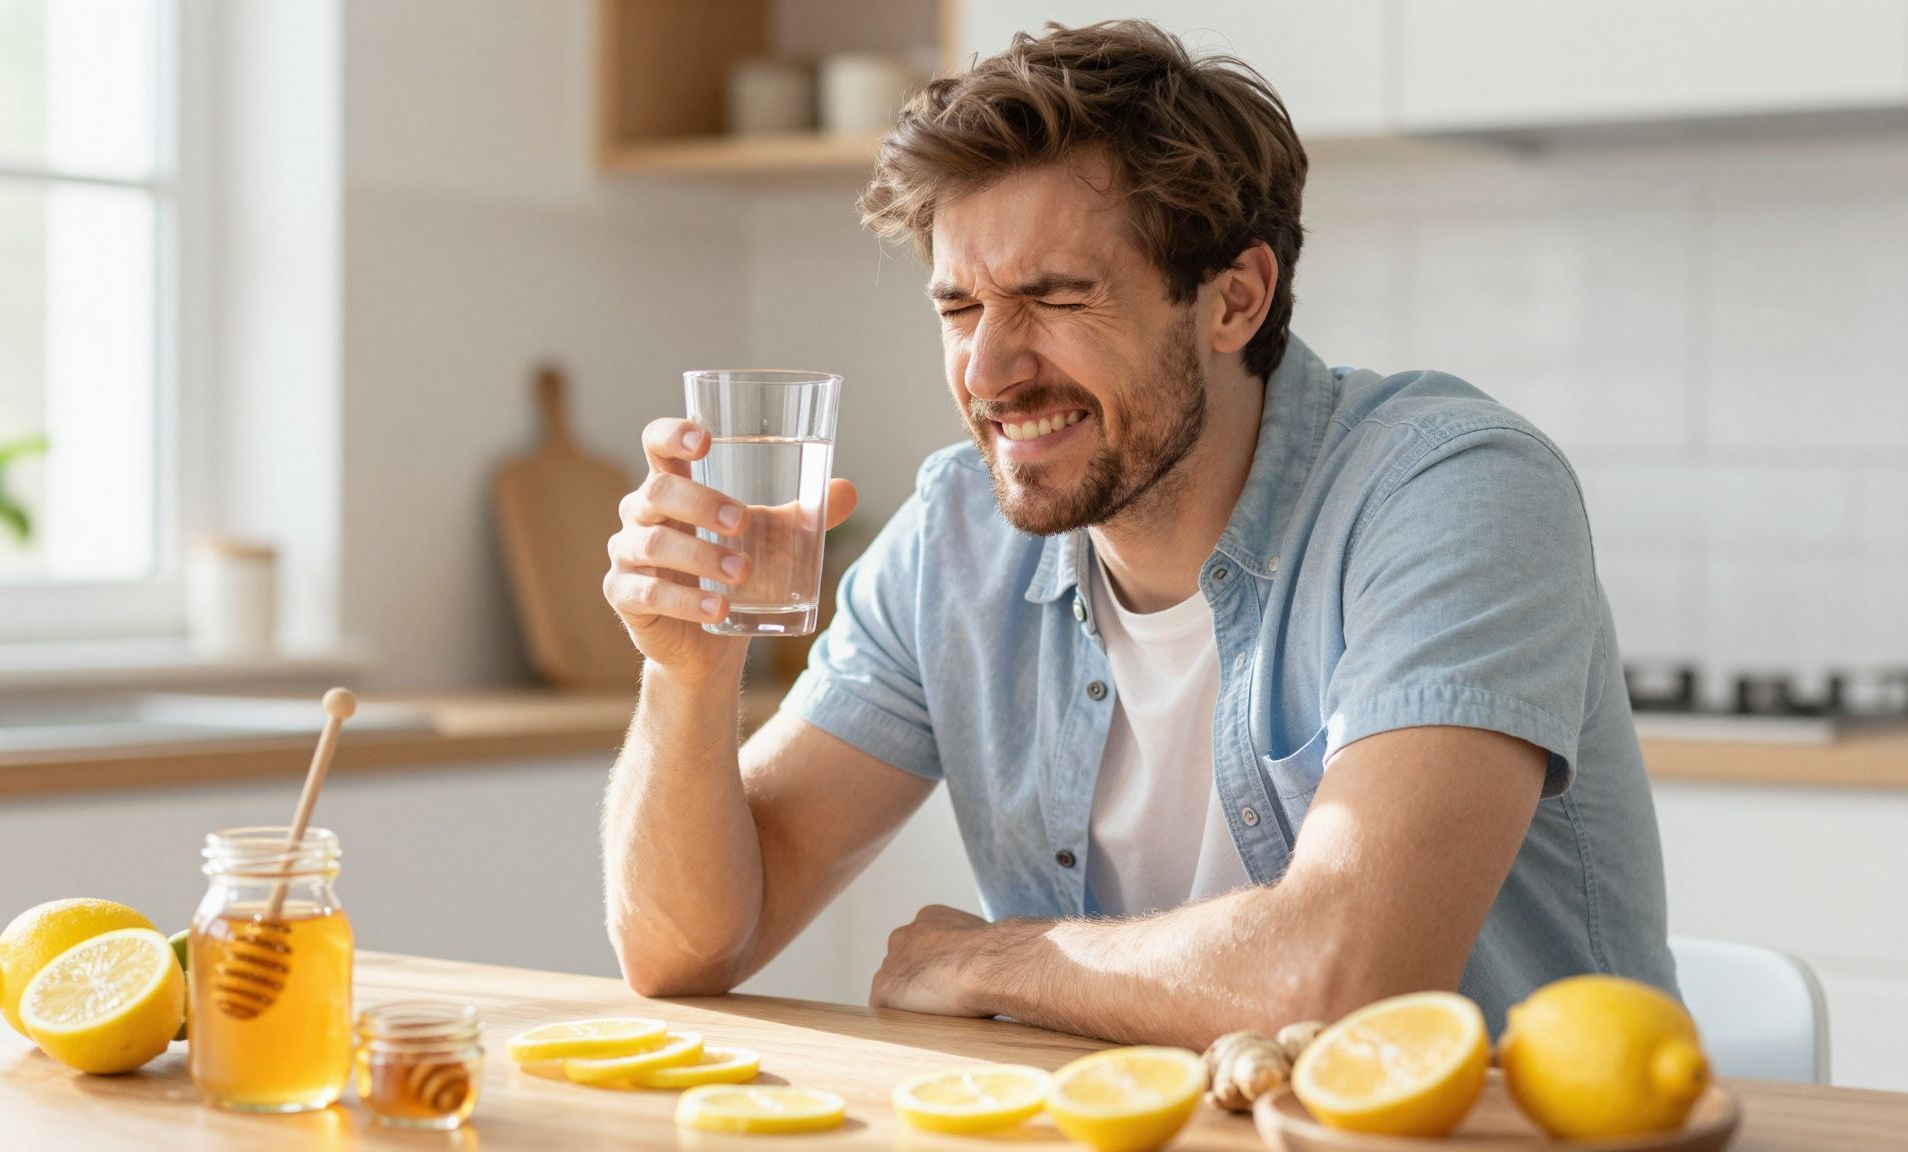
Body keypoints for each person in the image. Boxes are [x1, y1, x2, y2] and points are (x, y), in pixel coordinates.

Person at [601, 20, 1674, 1048]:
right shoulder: (956, 536)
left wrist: (999, 963)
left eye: (1055, 297)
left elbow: (1347, 979)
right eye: (959, 309)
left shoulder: (1451, 489)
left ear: (1234, 301)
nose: (987, 371)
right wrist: (687, 676)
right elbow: (682, 949)